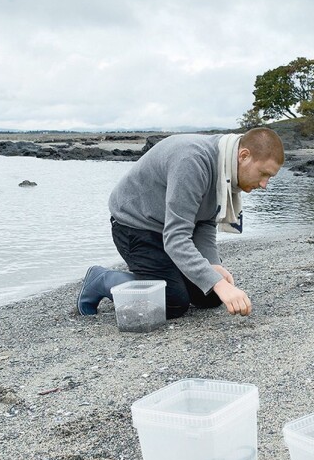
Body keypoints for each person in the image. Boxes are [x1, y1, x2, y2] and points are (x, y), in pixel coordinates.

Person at [77, 127, 284, 319]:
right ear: (244, 156)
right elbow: (176, 238)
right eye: (263, 174)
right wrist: (217, 281)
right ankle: (101, 279)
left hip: (170, 227)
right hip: (135, 225)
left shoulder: (226, 168)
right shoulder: (192, 162)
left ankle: (164, 275)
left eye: (270, 177)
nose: (264, 185)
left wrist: (213, 266)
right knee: (173, 302)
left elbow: (205, 222)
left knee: (210, 297)